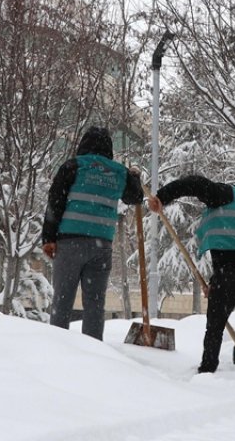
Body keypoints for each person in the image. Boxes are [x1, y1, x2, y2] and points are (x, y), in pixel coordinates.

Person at [148, 175, 235, 373]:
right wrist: (216, 283)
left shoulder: (225, 194)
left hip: (229, 271)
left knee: (215, 326)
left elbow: (195, 183)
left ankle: (208, 368)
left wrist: (163, 196)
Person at [43, 126, 144, 340]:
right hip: (101, 246)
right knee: (95, 304)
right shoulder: (119, 172)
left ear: (83, 144)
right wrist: (134, 177)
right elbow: (135, 197)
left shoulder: (74, 166)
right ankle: (94, 349)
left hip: (70, 243)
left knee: (62, 301)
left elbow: (55, 202)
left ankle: (57, 346)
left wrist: (48, 238)